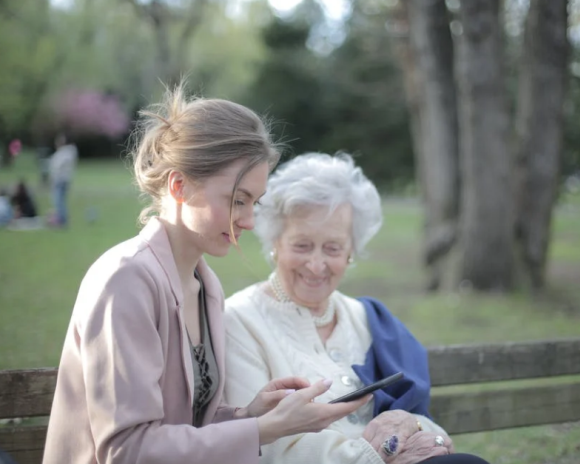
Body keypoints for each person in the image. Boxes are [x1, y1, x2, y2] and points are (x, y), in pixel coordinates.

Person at [42, 88, 370, 464]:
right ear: (179, 186)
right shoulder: (125, 280)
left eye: (254, 203)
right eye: (236, 200)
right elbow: (127, 450)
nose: (248, 221)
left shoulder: (205, 285)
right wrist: (263, 430)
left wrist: (250, 414)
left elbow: (187, 423)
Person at [223, 153, 490, 464]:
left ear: (351, 252)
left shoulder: (367, 318)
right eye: (302, 245)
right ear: (275, 243)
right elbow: (265, 446)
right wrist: (375, 455)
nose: (316, 264)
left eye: (333, 248)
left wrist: (412, 426)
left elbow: (426, 425)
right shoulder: (239, 320)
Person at [47, 133, 78, 226]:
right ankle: (61, 219)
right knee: (60, 201)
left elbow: (57, 166)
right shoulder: (67, 152)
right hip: (63, 179)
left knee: (58, 201)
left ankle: (62, 220)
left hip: (60, 180)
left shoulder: (65, 153)